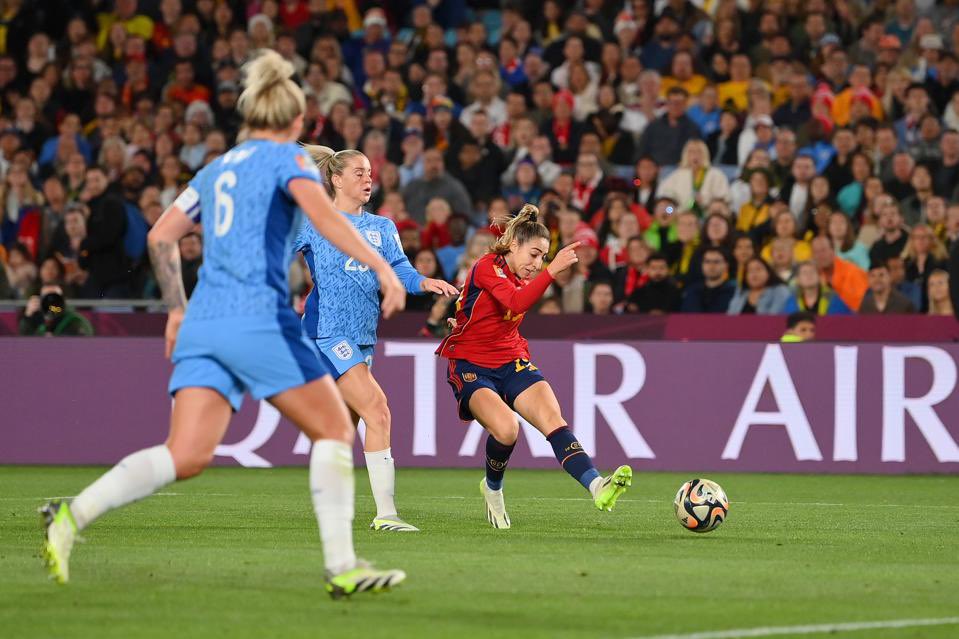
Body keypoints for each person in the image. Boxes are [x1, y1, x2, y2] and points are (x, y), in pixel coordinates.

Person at [40, 51, 408, 598]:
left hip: (204, 321)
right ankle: (342, 567)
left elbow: (161, 236)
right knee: (336, 430)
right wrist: (382, 267)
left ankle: (72, 514)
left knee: (184, 454)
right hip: (257, 317)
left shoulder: (216, 169)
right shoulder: (289, 161)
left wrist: (176, 308)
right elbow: (329, 220)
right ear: (295, 120)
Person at [436, 205, 632, 529]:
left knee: (553, 420)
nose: (537, 264)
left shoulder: (523, 275)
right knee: (507, 429)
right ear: (513, 245)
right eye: (534, 254)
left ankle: (598, 485)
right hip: (471, 363)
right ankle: (493, 489)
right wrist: (551, 271)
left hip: (511, 358)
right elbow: (516, 302)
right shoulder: (487, 265)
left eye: (543, 257)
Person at [296, 144, 459, 532]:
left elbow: (400, 269)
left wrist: (423, 282)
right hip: (326, 332)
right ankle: (386, 514)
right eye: (359, 173)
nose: (368, 179)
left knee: (344, 426)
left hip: (363, 335)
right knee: (378, 409)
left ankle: (330, 505)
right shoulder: (315, 221)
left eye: (370, 173)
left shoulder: (383, 228)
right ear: (336, 180)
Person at [18, 285, 94, 336]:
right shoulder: (35, 317)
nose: (51, 302)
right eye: (47, 297)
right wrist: (28, 315)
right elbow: (24, 339)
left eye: (55, 297)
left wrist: (55, 340)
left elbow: (83, 340)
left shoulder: (74, 319)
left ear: (63, 300)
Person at [783, 261, 852, 316]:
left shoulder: (835, 299)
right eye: (804, 273)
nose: (809, 275)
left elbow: (848, 322)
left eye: (812, 272)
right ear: (798, 280)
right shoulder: (791, 302)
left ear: (819, 277)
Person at [681, 247, 736, 313]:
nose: (711, 266)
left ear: (726, 265)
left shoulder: (734, 293)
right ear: (701, 265)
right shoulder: (691, 291)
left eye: (716, 262)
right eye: (707, 261)